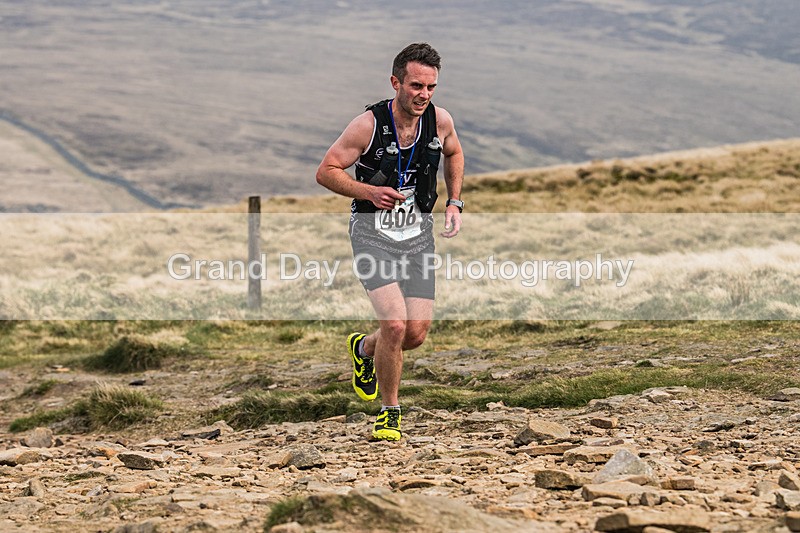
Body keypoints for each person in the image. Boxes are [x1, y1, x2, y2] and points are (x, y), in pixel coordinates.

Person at [316, 42, 465, 441]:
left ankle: (363, 349)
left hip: (417, 236)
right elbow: (326, 170)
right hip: (371, 233)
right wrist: (367, 192)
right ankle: (390, 411)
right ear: (396, 82)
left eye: (431, 87)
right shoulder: (367, 125)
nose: (424, 95)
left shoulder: (440, 120)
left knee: (414, 333)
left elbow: (454, 154)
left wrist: (454, 202)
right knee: (395, 324)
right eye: (416, 85)